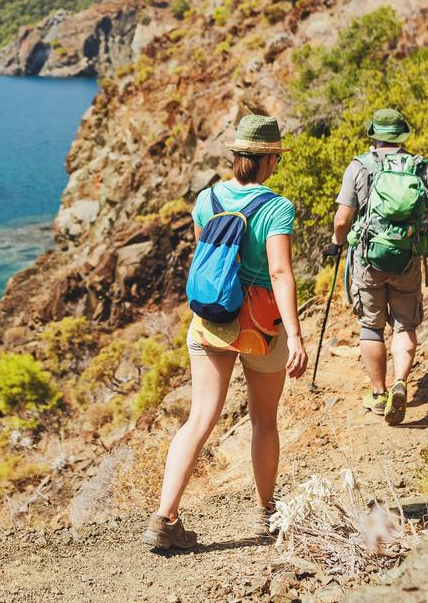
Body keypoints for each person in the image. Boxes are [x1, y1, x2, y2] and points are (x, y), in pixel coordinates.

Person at [142, 115, 308, 550]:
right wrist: (297, 333)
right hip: (261, 327)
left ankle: (165, 517)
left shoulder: (207, 197)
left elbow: (206, 253)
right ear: (271, 159)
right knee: (264, 421)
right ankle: (265, 513)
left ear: (237, 157)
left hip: (212, 319)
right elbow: (279, 271)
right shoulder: (277, 207)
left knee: (198, 419)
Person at [324, 108, 428, 425]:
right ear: (403, 135)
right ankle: (400, 382)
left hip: (368, 258)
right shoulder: (420, 167)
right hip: (407, 257)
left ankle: (379, 394)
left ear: (374, 134)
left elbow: (342, 219)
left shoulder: (359, 167)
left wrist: (338, 244)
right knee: (405, 325)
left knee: (371, 326)